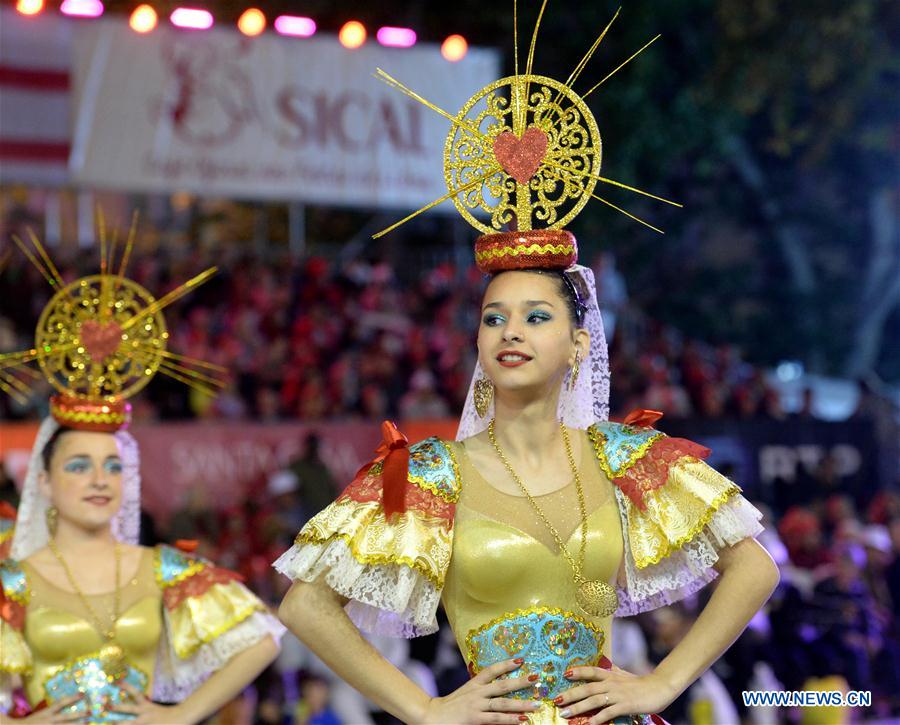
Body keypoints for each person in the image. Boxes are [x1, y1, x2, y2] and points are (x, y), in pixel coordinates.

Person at [274, 13, 778, 723]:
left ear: (578, 342)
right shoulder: (428, 474)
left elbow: (753, 567)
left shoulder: (622, 457)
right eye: (494, 316)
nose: (512, 330)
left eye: (537, 316)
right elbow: (305, 601)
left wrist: (662, 682)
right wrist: (422, 708)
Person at [0, 234, 284, 722]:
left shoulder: (161, 569)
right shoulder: (13, 581)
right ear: (42, 480)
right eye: (78, 465)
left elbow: (263, 638)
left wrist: (180, 715)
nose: (100, 479)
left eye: (113, 467)